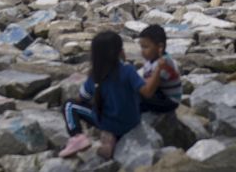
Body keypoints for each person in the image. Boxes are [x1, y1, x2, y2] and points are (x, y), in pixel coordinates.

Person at [59, 31, 167, 159]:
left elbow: (82, 98)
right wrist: (158, 70)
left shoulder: (95, 75)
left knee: (69, 105)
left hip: (107, 123)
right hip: (131, 122)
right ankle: (110, 140)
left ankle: (78, 137)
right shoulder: (128, 70)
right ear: (120, 51)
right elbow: (147, 92)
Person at [137, 25, 183, 113]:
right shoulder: (151, 60)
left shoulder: (165, 62)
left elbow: (149, 85)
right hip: (160, 93)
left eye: (145, 47)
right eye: (141, 47)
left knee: (139, 94)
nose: (142, 51)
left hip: (169, 101)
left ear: (160, 47)